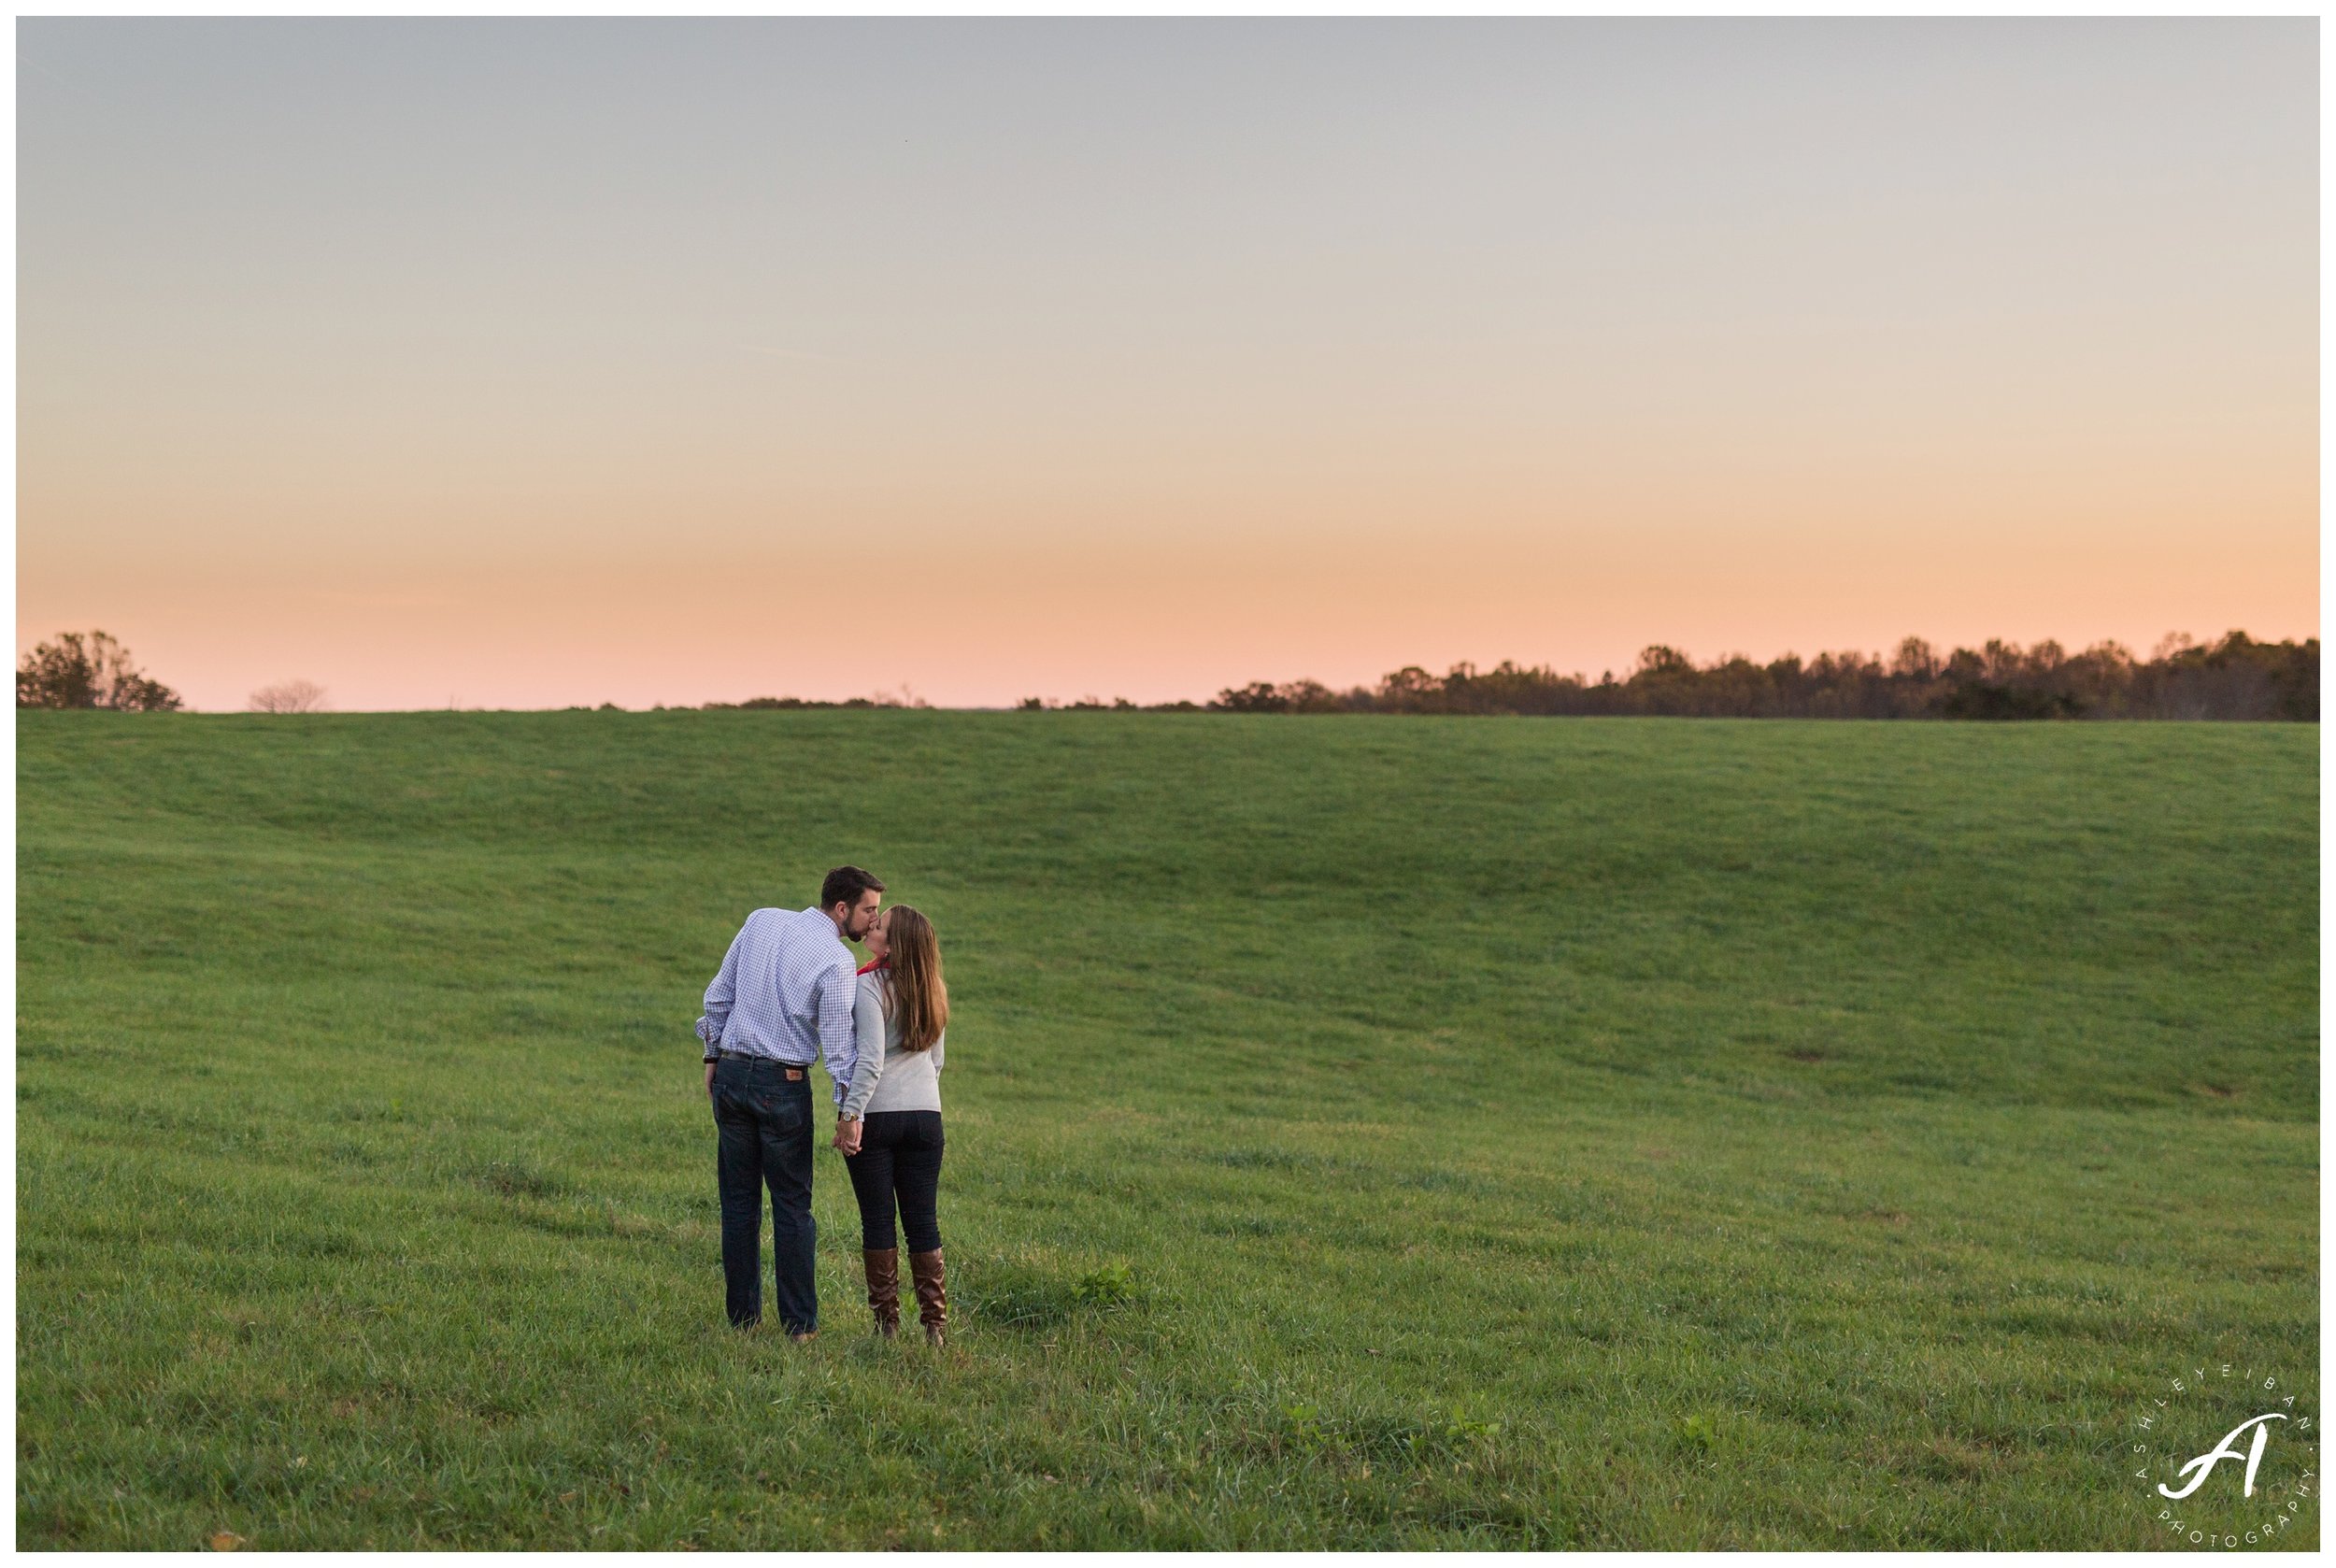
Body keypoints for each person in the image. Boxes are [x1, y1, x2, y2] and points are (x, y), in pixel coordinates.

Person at [696, 865, 883, 1338]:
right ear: (842, 909)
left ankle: (743, 1320)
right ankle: (800, 1327)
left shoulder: (762, 919)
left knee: (738, 1203)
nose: (872, 922)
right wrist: (849, 1111)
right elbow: (841, 1048)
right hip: (783, 1084)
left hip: (733, 1075)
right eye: (869, 911)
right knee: (792, 1208)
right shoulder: (837, 960)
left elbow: (719, 995)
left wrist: (711, 1055)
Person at [835, 905, 950, 1346]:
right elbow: (936, 1061)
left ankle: (887, 1328)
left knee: (878, 1221)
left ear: (894, 942)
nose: (872, 927)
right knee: (923, 1221)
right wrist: (920, 1096)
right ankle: (935, 1329)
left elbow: (869, 1060)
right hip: (926, 1116)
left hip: (878, 1116)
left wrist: (850, 1115)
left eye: (879, 926)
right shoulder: (934, 988)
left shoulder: (869, 985)